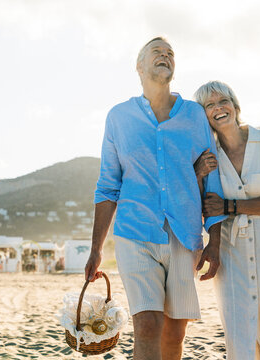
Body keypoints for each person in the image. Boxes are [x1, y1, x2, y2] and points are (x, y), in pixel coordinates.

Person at [84, 37, 226, 360]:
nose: (165, 56)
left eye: (170, 53)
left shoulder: (193, 115)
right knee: (147, 325)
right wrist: (95, 249)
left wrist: (214, 239)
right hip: (135, 234)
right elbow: (107, 187)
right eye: (156, 52)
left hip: (183, 235)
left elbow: (212, 179)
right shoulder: (118, 118)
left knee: (175, 333)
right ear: (139, 67)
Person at [194, 80, 260, 360]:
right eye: (209, 105)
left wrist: (229, 205)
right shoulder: (207, 155)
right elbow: (202, 204)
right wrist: (198, 173)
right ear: (204, 116)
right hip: (230, 248)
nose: (218, 108)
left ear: (235, 106)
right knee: (237, 326)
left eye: (222, 101)